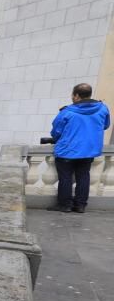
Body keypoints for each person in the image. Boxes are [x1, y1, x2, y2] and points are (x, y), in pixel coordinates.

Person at [48, 82, 109, 213]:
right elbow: (105, 125)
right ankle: (80, 205)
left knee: (65, 178)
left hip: (67, 151)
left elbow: (56, 131)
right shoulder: (103, 109)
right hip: (89, 150)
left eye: (72, 94)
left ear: (76, 95)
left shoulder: (67, 112)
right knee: (83, 176)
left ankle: (65, 205)